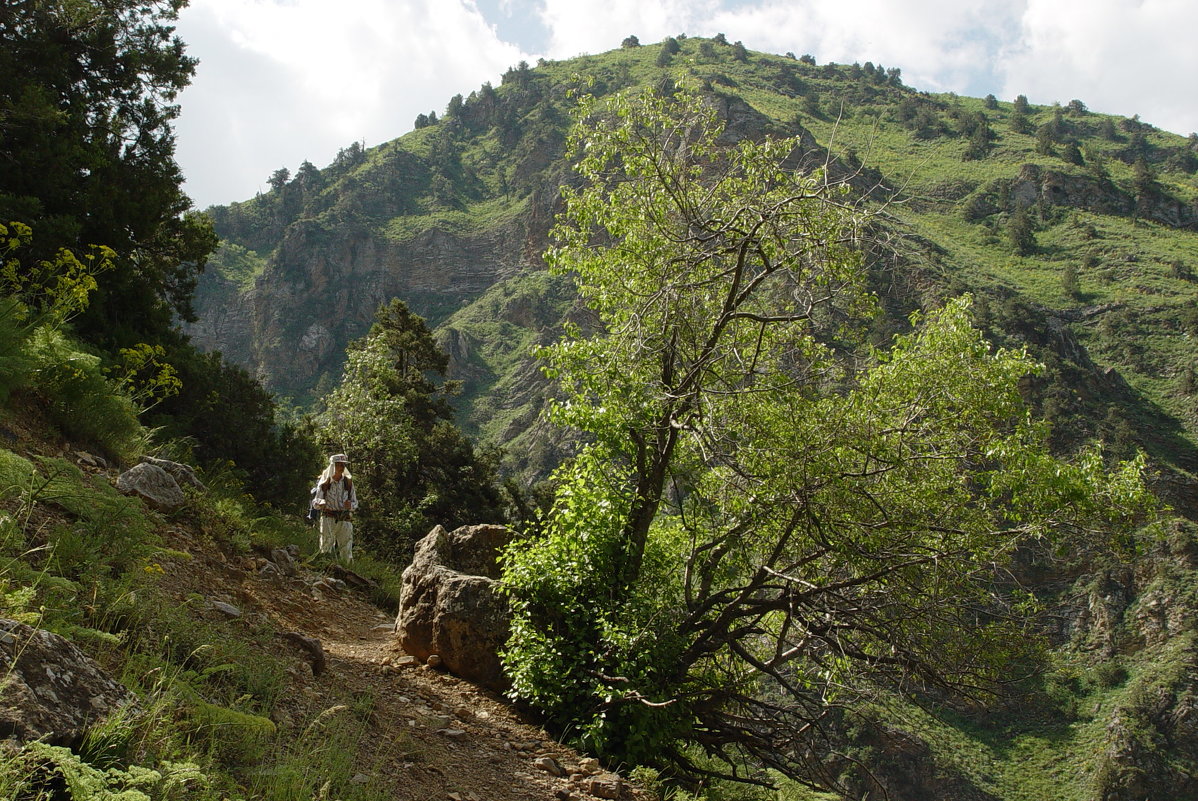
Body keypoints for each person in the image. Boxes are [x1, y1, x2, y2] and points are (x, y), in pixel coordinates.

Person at [314, 453, 358, 563]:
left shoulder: (348, 482)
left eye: (343, 465)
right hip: (328, 518)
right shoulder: (325, 482)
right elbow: (315, 502)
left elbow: (355, 502)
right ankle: (325, 568)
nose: (342, 467)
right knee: (326, 546)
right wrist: (321, 503)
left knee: (346, 549)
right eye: (339, 464)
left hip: (345, 519)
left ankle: (347, 572)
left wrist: (351, 506)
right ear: (333, 466)